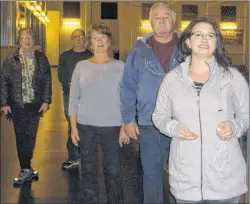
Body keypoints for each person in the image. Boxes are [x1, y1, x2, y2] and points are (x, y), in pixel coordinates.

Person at [152, 17, 249, 204]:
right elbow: (159, 116)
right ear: (188, 41)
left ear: (217, 42)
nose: (204, 40)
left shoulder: (232, 77)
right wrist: (174, 128)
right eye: (198, 35)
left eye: (210, 35)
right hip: (186, 179)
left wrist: (234, 126)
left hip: (225, 179)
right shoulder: (172, 80)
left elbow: (246, 114)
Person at [120, 3, 180, 204]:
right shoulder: (137, 51)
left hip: (182, 122)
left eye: (166, 17)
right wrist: (128, 119)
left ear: (173, 20)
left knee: (180, 176)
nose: (162, 21)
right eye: (157, 17)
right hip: (149, 122)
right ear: (150, 22)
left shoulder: (188, 48)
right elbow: (127, 86)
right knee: (152, 175)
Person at [69, 23, 129, 204]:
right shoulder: (80, 66)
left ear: (110, 41)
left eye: (103, 37)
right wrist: (73, 128)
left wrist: (125, 127)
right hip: (86, 127)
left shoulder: (121, 67)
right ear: (90, 43)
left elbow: (127, 99)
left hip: (113, 127)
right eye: (95, 38)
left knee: (114, 172)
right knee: (88, 170)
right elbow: (73, 98)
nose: (100, 41)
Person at [0, 28, 52, 186]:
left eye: (30, 37)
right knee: (21, 136)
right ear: (19, 41)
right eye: (24, 38)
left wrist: (46, 101)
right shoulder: (11, 59)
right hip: (17, 105)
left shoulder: (41, 59)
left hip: (35, 105)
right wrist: (4, 103)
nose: (27, 40)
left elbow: (47, 81)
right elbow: (3, 82)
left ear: (34, 39)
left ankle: (27, 166)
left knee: (31, 136)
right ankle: (24, 167)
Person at [58, 29, 92, 170]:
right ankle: (73, 157)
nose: (78, 39)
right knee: (72, 125)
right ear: (72, 39)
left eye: (81, 36)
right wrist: (72, 84)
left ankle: (87, 155)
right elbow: (61, 75)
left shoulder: (91, 55)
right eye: (75, 36)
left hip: (88, 96)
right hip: (69, 96)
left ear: (85, 39)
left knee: (86, 125)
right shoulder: (65, 56)